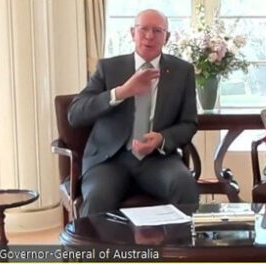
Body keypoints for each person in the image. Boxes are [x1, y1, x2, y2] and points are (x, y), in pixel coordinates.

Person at [68, 9, 199, 217]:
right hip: (110, 160)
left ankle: (178, 249)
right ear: (132, 33)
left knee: (185, 186)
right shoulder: (108, 68)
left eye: (157, 30)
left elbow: (189, 122)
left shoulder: (182, 71)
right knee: (97, 198)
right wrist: (121, 92)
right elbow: (75, 114)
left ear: (167, 37)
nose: (149, 36)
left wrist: (162, 139)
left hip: (158, 159)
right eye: (143, 29)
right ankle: (95, 251)